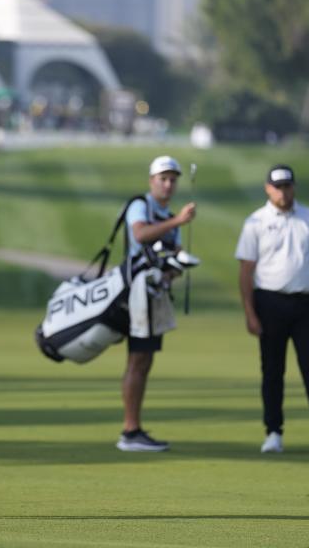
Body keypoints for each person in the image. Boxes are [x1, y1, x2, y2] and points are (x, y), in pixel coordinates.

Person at [235, 164, 309, 456]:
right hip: (269, 303)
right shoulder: (256, 222)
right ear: (268, 188)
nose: (283, 192)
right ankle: (273, 433)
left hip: (306, 305)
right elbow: (245, 271)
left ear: (294, 187)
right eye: (278, 187)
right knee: (272, 372)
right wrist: (250, 313)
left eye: (288, 186)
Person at [117, 156, 196, 452]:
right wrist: (179, 221)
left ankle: (132, 428)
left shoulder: (170, 218)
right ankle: (130, 431)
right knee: (138, 360)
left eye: (173, 179)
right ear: (152, 181)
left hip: (154, 295)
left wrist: (176, 267)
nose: (168, 184)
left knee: (143, 360)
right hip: (136, 294)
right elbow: (140, 234)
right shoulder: (142, 205)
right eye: (163, 178)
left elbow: (171, 263)